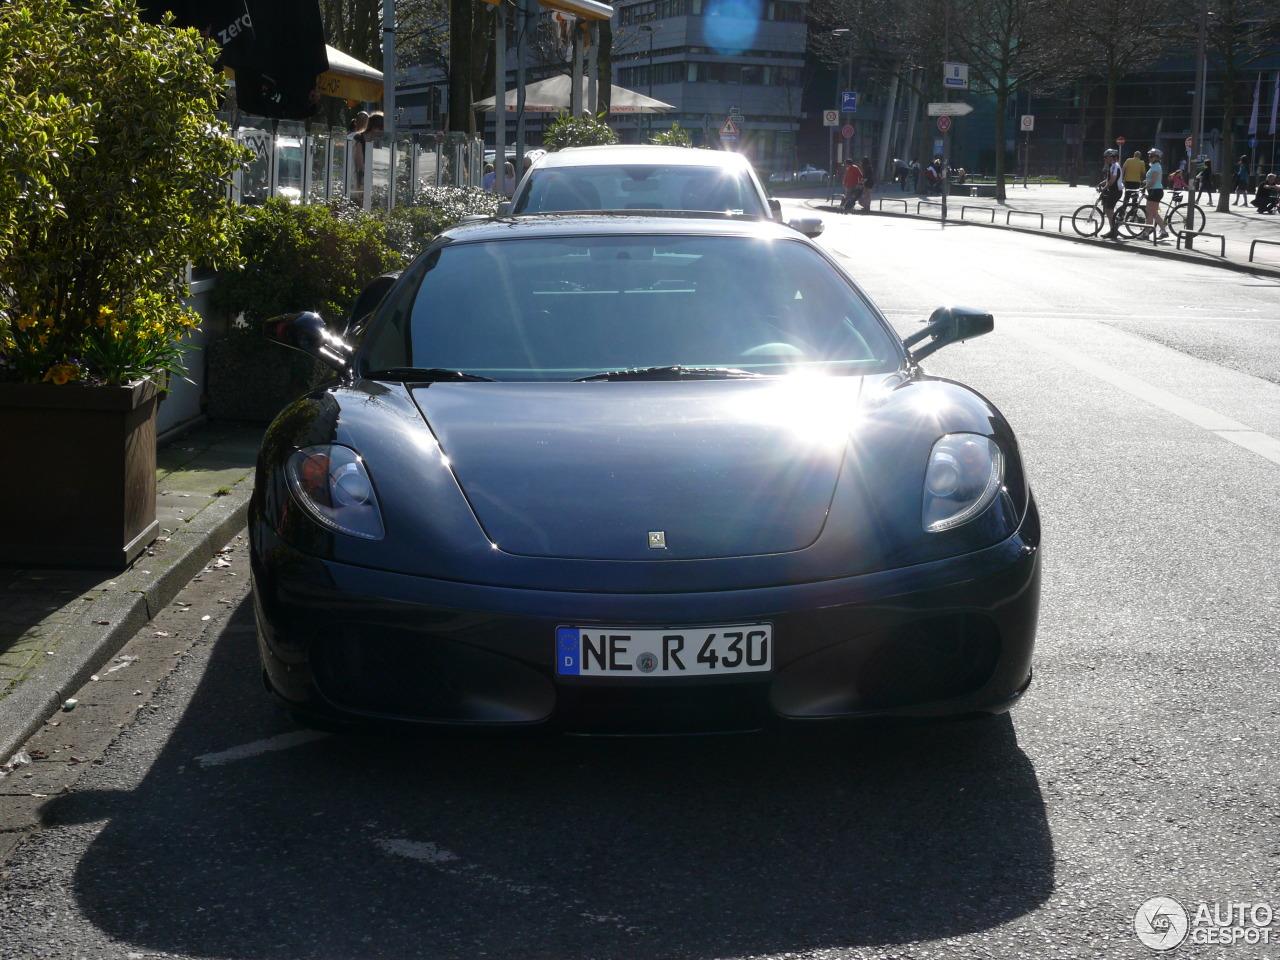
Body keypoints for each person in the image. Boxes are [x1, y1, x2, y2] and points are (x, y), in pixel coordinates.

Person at [1141, 147, 1169, 242]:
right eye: (1149, 156)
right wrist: (1145, 182)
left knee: (1149, 212)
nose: (1149, 157)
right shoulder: (1154, 166)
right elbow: (1151, 179)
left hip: (1155, 191)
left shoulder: (1156, 167)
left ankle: (1146, 233)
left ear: (1157, 157)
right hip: (1154, 190)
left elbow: (1154, 180)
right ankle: (1164, 231)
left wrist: (1145, 187)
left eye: (1151, 156)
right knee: (1154, 213)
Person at [1099, 147, 1124, 240]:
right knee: (1107, 209)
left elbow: (1113, 180)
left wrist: (1105, 187)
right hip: (1113, 190)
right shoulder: (1112, 166)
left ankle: (1113, 230)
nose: (1104, 159)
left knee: (1109, 210)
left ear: (1112, 157)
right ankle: (1114, 227)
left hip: (1116, 191)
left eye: (1106, 157)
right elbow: (1108, 179)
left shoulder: (1115, 166)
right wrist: (1101, 183)